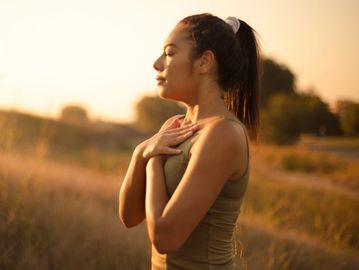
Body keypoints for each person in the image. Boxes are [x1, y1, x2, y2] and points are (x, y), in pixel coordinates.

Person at [119, 13, 260, 270]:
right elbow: (129, 217)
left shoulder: (223, 133)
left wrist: (153, 161)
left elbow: (164, 237)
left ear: (204, 62)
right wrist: (140, 153)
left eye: (170, 53)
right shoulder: (174, 127)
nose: (156, 63)